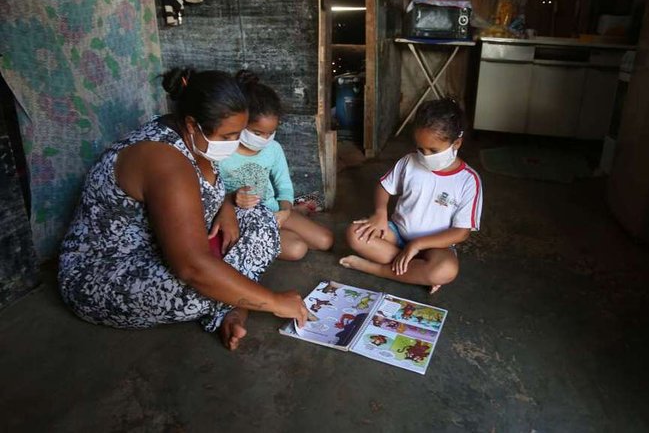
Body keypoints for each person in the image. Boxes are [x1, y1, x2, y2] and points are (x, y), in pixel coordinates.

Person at [58, 68, 309, 351]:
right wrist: (275, 302)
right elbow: (191, 267)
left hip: (162, 248)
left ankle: (230, 306)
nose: (235, 144)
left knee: (260, 219)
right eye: (228, 136)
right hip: (103, 276)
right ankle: (231, 307)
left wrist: (225, 205)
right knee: (203, 284)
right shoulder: (164, 160)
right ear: (192, 124)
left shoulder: (192, 136)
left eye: (238, 134)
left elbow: (205, 193)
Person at [339, 98, 483, 293]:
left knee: (446, 270)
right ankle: (416, 270)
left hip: (435, 247)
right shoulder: (409, 162)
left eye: (433, 150)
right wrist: (380, 214)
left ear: (456, 143)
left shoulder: (468, 181)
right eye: (421, 149)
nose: (425, 156)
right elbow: (384, 187)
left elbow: (461, 232)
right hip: (397, 233)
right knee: (354, 234)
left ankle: (376, 269)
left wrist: (418, 244)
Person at [219, 71, 334, 261]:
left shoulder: (273, 148)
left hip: (274, 211)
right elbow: (208, 195)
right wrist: (232, 198)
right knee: (297, 249)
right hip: (243, 219)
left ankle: (296, 213)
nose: (264, 139)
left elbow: (284, 185)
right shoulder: (222, 153)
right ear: (240, 123)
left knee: (325, 240)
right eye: (257, 132)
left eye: (270, 133)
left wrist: (286, 210)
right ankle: (284, 227)